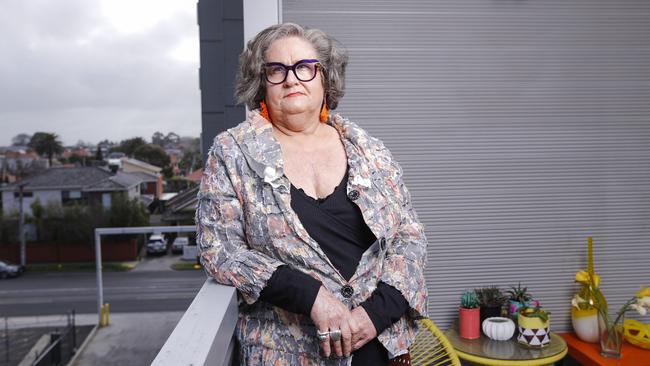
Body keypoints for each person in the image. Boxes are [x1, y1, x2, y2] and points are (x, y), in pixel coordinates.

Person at [196, 22, 428, 365]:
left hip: (381, 348)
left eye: (305, 67)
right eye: (277, 70)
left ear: (325, 78)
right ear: (261, 82)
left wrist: (376, 314)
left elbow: (409, 238)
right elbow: (220, 251)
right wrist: (311, 296)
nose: (292, 79)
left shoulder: (369, 150)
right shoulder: (232, 153)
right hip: (289, 354)